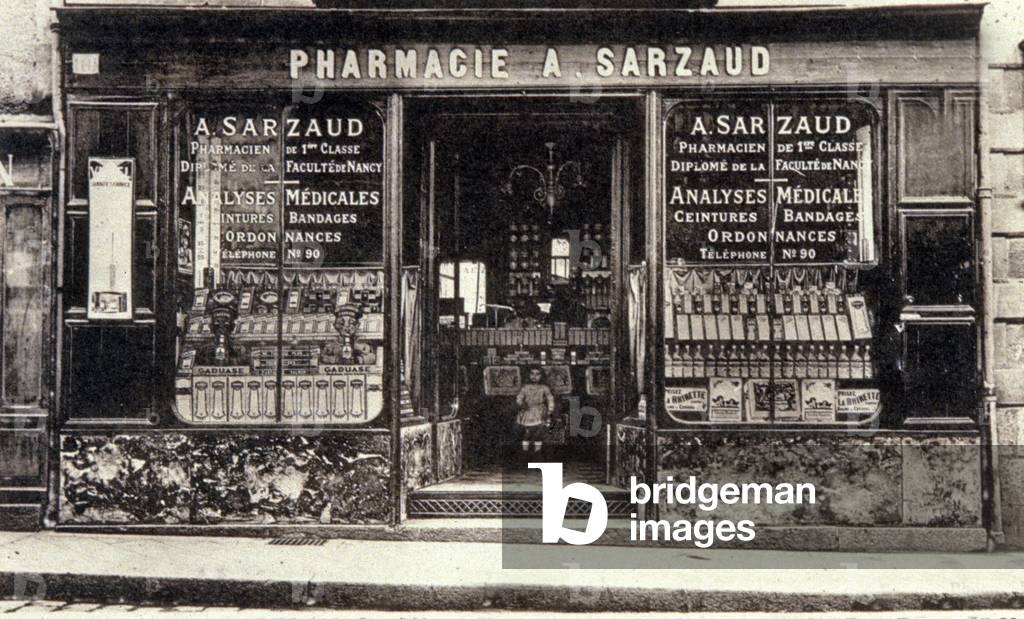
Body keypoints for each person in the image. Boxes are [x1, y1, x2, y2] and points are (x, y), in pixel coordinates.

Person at [515, 367, 555, 455]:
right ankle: (525, 452)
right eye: (532, 374)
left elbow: (550, 399)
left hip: (539, 412)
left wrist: (549, 411)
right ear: (529, 375)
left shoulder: (544, 388)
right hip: (527, 411)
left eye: (537, 374)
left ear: (541, 376)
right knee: (527, 433)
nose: (534, 376)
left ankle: (537, 452)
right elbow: (519, 398)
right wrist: (521, 404)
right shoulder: (525, 387)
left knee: (538, 433)